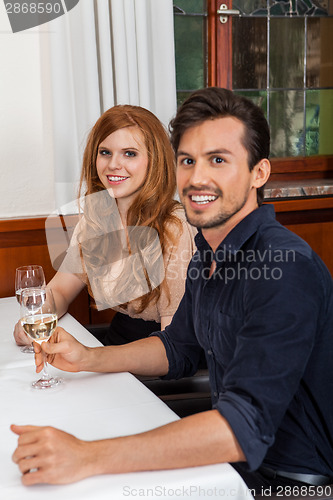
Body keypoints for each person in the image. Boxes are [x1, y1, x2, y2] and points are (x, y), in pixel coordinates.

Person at [12, 88, 333, 493]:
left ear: (259, 173)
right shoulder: (208, 253)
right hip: (231, 464)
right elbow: (176, 349)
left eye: (219, 160)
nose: (198, 177)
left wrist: (89, 454)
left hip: (288, 480)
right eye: (188, 160)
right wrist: (89, 357)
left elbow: (242, 427)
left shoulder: (285, 268)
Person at [13, 105, 196, 346]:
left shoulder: (176, 226)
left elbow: (174, 348)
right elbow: (59, 291)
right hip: (116, 346)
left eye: (129, 153)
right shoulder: (96, 219)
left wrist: (94, 361)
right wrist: (36, 317)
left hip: (156, 363)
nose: (113, 164)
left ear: (155, 161)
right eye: (105, 152)